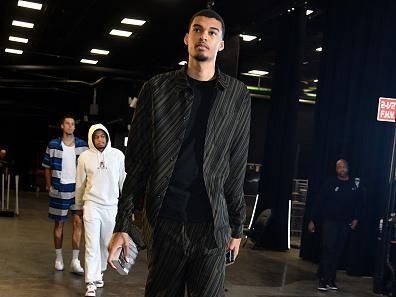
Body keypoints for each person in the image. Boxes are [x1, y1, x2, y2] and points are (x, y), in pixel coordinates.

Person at [108, 8, 251, 297]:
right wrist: (122, 224)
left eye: (212, 32)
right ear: (187, 38)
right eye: (198, 30)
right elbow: (136, 162)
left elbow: (236, 165)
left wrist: (237, 228)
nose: (204, 37)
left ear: (221, 44)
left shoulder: (237, 95)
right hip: (165, 222)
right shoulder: (156, 90)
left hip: (212, 225)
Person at [75, 124, 125, 297]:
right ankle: (90, 283)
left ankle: (100, 273)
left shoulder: (118, 155)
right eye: (96, 136)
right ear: (91, 138)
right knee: (91, 244)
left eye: (103, 136)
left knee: (105, 244)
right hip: (91, 205)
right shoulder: (84, 157)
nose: (100, 139)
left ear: (107, 137)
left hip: (112, 206)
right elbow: (80, 184)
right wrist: (78, 207)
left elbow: (123, 182)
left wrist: (127, 207)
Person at [308, 159, 363, 292]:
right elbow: (319, 201)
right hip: (330, 221)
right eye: (339, 167)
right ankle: (323, 279)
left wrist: (356, 219)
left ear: (348, 168)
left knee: (338, 251)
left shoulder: (353, 185)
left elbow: (358, 203)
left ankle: (331, 279)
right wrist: (312, 220)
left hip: (345, 223)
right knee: (328, 248)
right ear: (336, 169)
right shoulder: (330, 183)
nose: (341, 169)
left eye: (343, 167)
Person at [42, 115, 88, 273]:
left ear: (75, 127)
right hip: (59, 188)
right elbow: (46, 166)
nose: (70, 126)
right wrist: (49, 185)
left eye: (73, 124)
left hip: (77, 189)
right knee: (59, 223)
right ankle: (59, 258)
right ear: (62, 126)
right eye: (67, 123)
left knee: (78, 222)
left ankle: (75, 260)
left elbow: (89, 167)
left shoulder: (82, 145)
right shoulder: (53, 144)